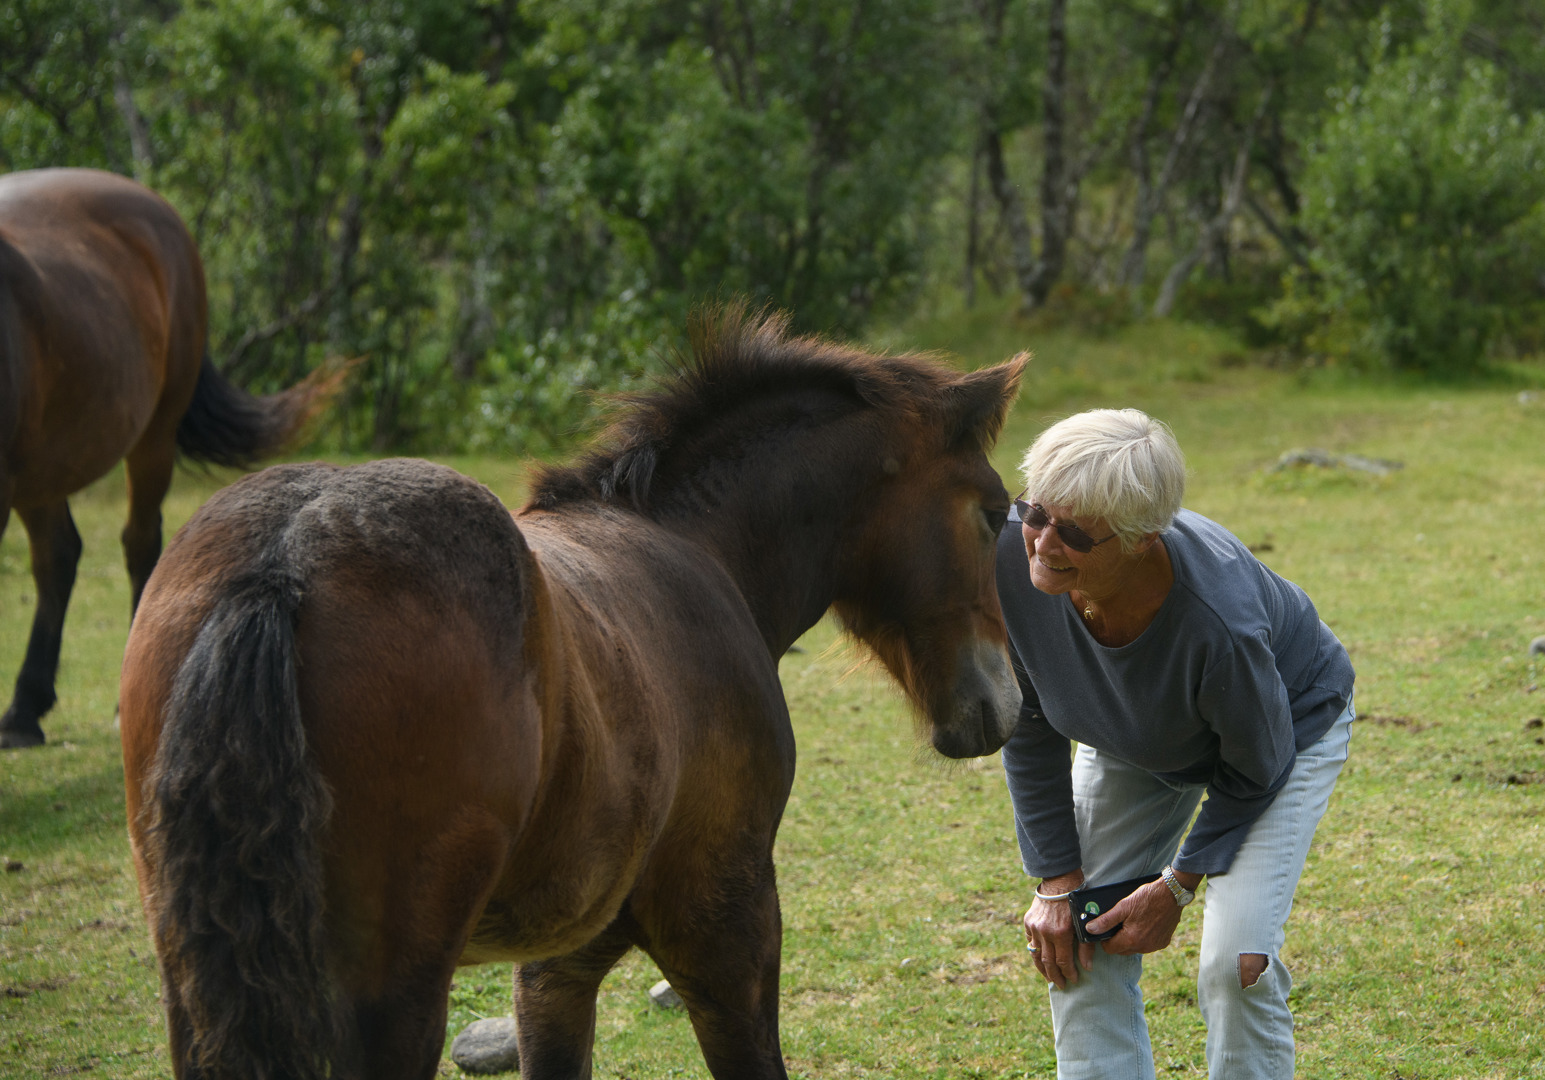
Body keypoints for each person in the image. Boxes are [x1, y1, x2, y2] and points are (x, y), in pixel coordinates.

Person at [996, 408, 1354, 1080]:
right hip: (1135, 731)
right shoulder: (1012, 558)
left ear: (1138, 539)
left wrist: (1178, 887)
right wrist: (1056, 881)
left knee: (1234, 965)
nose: (1041, 542)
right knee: (1079, 937)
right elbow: (1029, 716)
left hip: (1281, 735)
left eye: (1073, 533)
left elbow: (1255, 764)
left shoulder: (1218, 624)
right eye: (1035, 512)